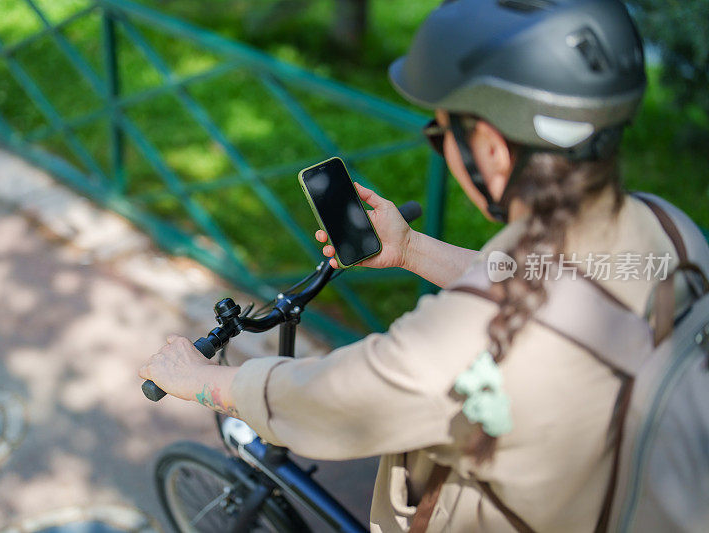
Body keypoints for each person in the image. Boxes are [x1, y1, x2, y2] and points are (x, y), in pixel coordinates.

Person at [139, 1, 681, 530]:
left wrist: (201, 378)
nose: (440, 147)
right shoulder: (669, 232)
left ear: (490, 149)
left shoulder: (467, 343)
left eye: (440, 134)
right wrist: (412, 250)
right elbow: (555, 282)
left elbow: (334, 400)